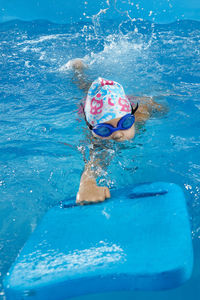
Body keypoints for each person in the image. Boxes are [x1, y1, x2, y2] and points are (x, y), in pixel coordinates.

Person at [70, 58, 164, 205]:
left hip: (123, 103)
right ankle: (77, 70)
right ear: (93, 129)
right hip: (93, 109)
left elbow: (157, 106)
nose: (118, 134)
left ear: (131, 117)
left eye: (125, 123)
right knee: (84, 86)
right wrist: (87, 184)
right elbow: (96, 160)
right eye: (104, 129)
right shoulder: (96, 136)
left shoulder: (141, 114)